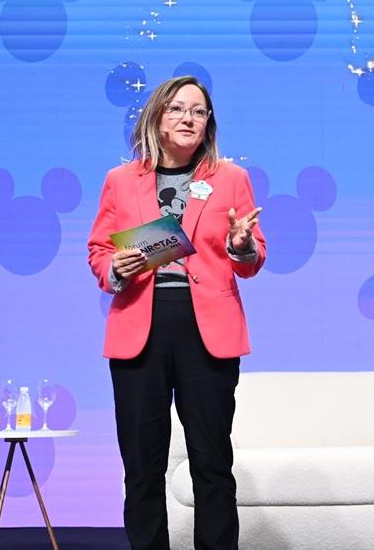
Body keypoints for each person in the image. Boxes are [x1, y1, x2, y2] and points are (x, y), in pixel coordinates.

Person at [87, 76, 265, 550]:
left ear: (209, 124)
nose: (189, 118)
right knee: (142, 466)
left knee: (212, 462)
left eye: (199, 111)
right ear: (157, 117)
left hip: (206, 330)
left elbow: (252, 258)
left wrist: (241, 245)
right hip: (139, 326)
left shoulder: (231, 179)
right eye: (178, 109)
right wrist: (115, 268)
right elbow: (98, 251)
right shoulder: (121, 180)